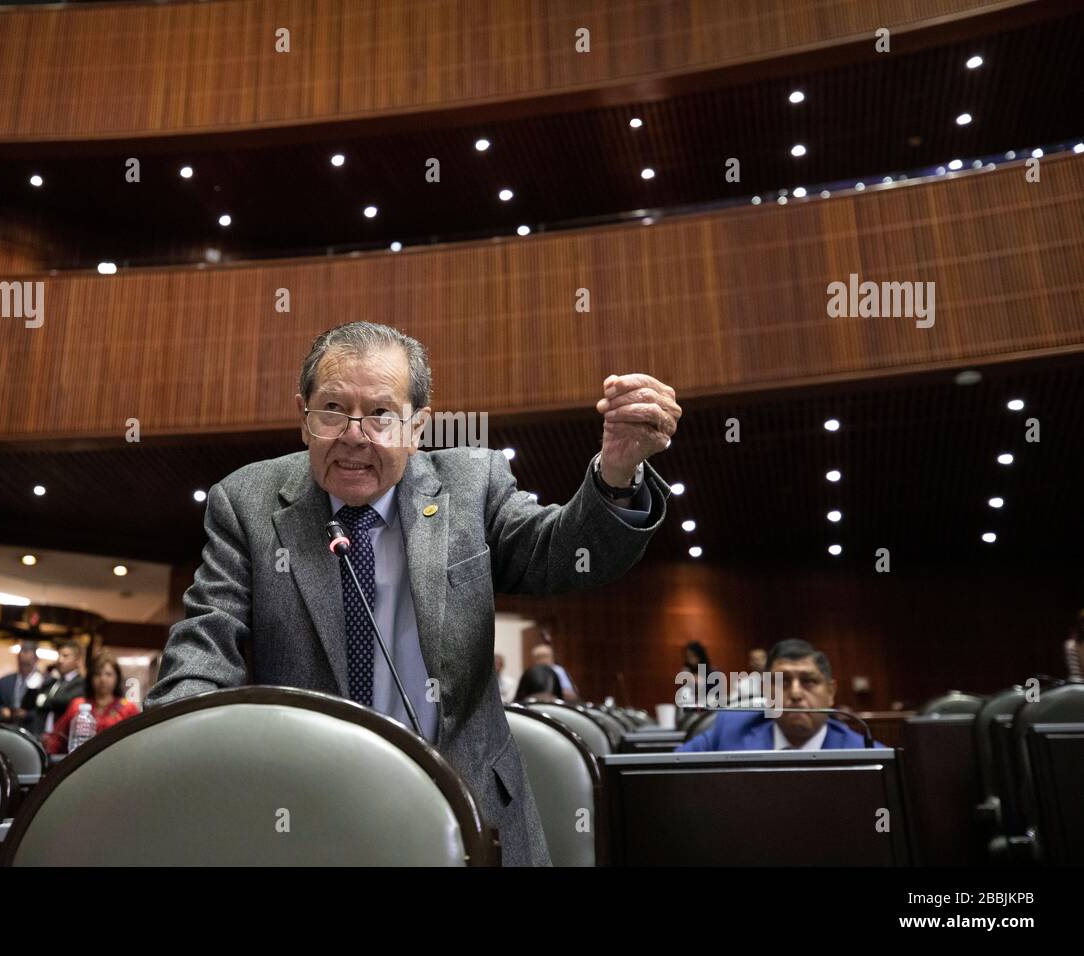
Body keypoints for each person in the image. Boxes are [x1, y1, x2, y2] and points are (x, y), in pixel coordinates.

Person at [147, 321, 680, 865]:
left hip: (468, 810)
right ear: (304, 419)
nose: (354, 434)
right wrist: (173, 742)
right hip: (305, 816)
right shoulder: (246, 503)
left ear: (418, 426)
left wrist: (617, 473)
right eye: (332, 408)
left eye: (381, 414)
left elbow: (561, 554)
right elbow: (207, 641)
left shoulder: (472, 484)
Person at [676, 639, 882, 751]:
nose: (795, 693)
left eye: (808, 681)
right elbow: (669, 775)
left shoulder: (870, 756)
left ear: (830, 693)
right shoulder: (729, 731)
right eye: (782, 681)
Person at [44, 653, 141, 755]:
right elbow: (58, 738)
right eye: (98, 674)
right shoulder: (78, 705)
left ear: (117, 678)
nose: (103, 679)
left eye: (108, 674)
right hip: (80, 762)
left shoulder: (128, 708)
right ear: (90, 678)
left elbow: (136, 743)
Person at [0, 640, 45, 736]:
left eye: (27, 664)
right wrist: (1, 710)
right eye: (21, 662)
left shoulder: (43, 682)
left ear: (35, 660)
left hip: (31, 733)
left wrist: (27, 714)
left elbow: (44, 713)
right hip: (5, 730)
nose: (23, 665)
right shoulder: (5, 681)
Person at [34, 641, 86, 736]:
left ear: (77, 661)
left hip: (61, 736)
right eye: (59, 655)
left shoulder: (81, 683)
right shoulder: (54, 681)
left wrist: (45, 700)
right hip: (42, 733)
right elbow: (38, 699)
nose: (60, 660)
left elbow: (63, 700)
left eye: (65, 656)